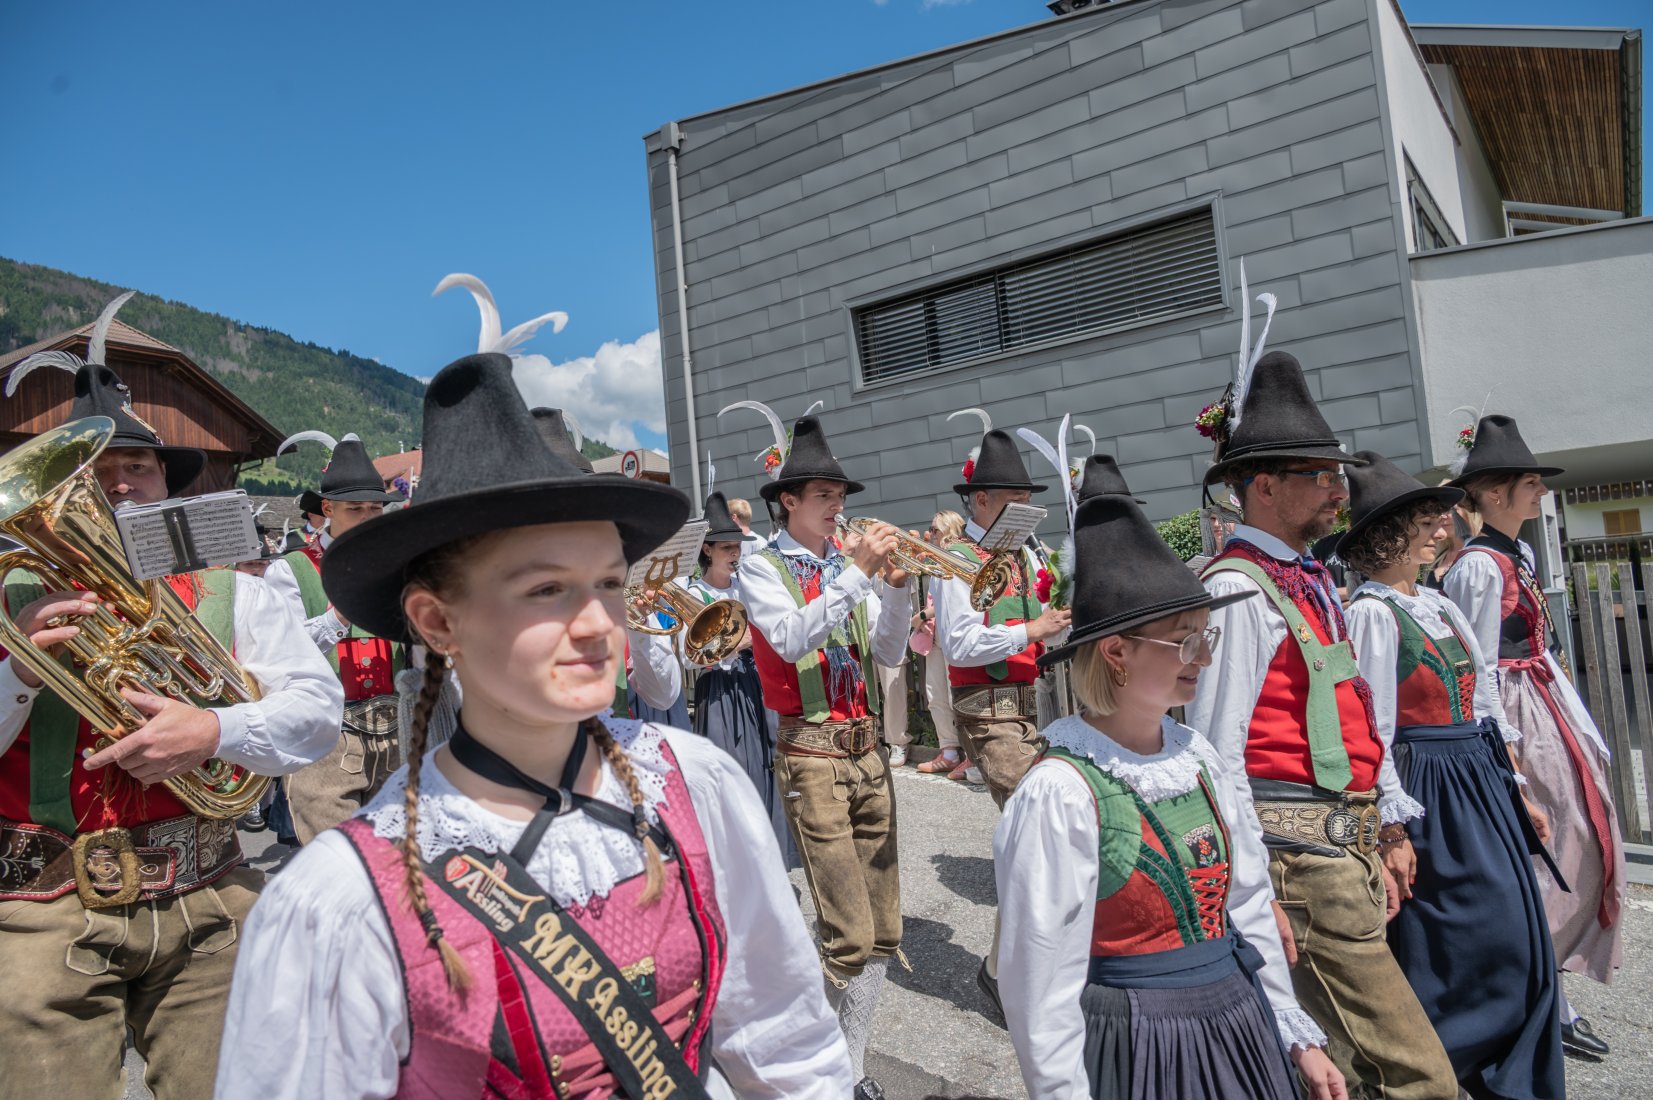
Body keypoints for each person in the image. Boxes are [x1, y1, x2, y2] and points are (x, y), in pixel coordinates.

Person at [216, 351, 851, 1098]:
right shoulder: (340, 901)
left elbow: (785, 1042)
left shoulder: (695, 783)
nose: (597, 623)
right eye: (547, 589)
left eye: (608, 582)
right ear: (436, 621)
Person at [0, 298, 342, 1100]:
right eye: (96, 471)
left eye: (139, 467)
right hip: (41, 913)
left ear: (165, 485)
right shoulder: (10, 598)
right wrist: (20, 668)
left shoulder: (234, 588)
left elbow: (317, 712)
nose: (120, 483)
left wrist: (214, 729)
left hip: (209, 897)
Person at [996, 491, 1343, 1100]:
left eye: (1206, 637)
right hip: (1141, 1041)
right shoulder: (1060, 791)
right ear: (1116, 651)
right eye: (1185, 641)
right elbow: (1039, 979)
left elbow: (1247, 899)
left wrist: (1295, 1034)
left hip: (1238, 1019)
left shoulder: (1196, 754)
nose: (1204, 658)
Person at [1188, 349, 1457, 1097]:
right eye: (1320, 475)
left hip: (1342, 852)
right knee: (1418, 1078)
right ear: (1265, 487)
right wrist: (1251, 894)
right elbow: (1216, 754)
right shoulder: (1240, 590)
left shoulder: (1307, 578)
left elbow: (1360, 711)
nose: (1340, 489)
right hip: (1299, 864)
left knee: (1345, 1072)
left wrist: (1387, 827)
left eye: (1336, 474)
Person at [1338, 451, 1563, 1097]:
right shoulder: (1372, 614)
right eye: (1425, 521)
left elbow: (1485, 698)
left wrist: (1517, 790)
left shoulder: (1437, 604)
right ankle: (1442, 1069)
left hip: (1479, 779)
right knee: (1464, 938)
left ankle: (1506, 1074)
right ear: (1388, 535)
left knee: (1520, 934)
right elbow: (1374, 726)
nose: (1442, 529)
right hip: (1428, 786)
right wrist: (1391, 828)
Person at [733, 409, 909, 1100]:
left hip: (868, 752)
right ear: (789, 501)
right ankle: (804, 1059)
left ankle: (849, 1066)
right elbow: (787, 637)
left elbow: (887, 652)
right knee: (847, 933)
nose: (838, 507)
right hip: (812, 756)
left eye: (840, 496)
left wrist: (896, 589)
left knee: (884, 928)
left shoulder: (846, 568)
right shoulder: (759, 565)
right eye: (825, 496)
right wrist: (858, 574)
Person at [1444, 413, 1625, 1058]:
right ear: (1495, 493)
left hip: (1540, 700)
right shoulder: (1478, 567)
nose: (1541, 491)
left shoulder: (1513, 553)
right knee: (1550, 845)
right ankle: (1546, 1000)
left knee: (1582, 838)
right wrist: (1503, 749)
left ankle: (1549, 989)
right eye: (1530, 483)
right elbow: (1475, 662)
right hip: (1512, 714)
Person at [270, 431, 409, 845]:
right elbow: (283, 652)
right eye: (355, 509)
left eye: (374, 508)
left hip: (395, 731)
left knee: (395, 858)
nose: (368, 517)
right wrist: (342, 613)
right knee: (338, 857)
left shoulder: (398, 563)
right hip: (327, 737)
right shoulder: (291, 568)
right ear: (328, 509)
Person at [687, 490, 796, 868]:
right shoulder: (695, 592)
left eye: (737, 547)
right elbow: (689, 656)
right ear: (707, 550)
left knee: (769, 767)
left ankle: (771, 861)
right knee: (730, 774)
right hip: (718, 691)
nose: (735, 553)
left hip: (754, 684)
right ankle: (734, 865)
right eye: (727, 548)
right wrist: (737, 643)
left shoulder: (745, 586)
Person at [913, 511, 970, 781]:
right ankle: (949, 752)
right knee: (936, 695)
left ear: (949, 530)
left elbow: (956, 599)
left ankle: (971, 755)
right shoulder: (937, 558)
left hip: (953, 635)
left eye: (935, 529)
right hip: (936, 636)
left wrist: (923, 615)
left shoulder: (957, 557)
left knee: (956, 695)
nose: (930, 533)